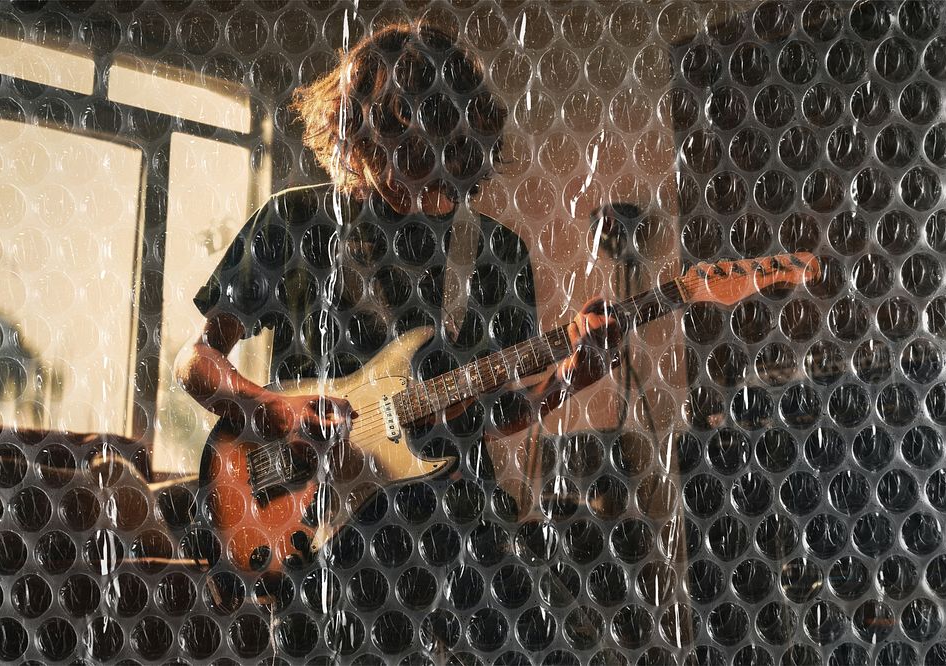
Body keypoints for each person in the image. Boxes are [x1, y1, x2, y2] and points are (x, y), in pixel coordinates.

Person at [176, 20, 618, 654]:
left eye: (417, 141)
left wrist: (572, 375)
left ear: (459, 138)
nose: (394, 160)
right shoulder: (295, 220)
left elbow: (495, 415)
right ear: (349, 128)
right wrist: (269, 407)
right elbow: (196, 361)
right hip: (323, 526)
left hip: (458, 525)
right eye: (379, 136)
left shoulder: (496, 253)